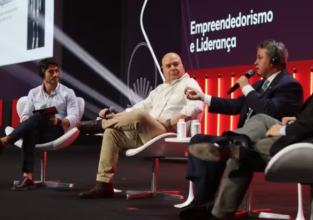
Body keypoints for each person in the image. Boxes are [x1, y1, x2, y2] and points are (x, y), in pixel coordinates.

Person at [188, 17, 313, 220]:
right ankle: (235, 142)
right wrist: (295, 121)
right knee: (259, 122)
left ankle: (219, 211)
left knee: (241, 155)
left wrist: (285, 130)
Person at [180, 40, 303, 220]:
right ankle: (202, 201)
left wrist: (245, 86)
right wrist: (203, 97)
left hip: (265, 142)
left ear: (274, 60)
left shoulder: (290, 85)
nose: (255, 62)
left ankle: (235, 142)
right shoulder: (258, 86)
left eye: (260, 57)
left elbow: (268, 110)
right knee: (199, 139)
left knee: (244, 137)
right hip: (243, 140)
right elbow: (233, 105)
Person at [77, 52, 204, 198]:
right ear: (163, 69)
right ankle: (104, 184)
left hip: (169, 135)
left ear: (183, 66)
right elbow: (139, 107)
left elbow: (197, 106)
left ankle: (100, 125)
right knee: (112, 133)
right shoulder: (159, 89)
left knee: (141, 116)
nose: (173, 68)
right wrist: (116, 116)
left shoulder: (189, 84)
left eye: (176, 64)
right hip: (150, 135)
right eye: (168, 66)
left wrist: (170, 121)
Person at [0, 58, 80, 190]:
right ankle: (27, 177)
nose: (56, 74)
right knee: (32, 125)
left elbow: (74, 117)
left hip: (55, 131)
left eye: (57, 71)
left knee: (37, 118)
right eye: (51, 72)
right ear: (43, 73)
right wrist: (27, 119)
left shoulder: (68, 93)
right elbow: (25, 114)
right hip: (36, 129)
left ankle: (5, 141)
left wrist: (59, 120)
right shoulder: (34, 93)